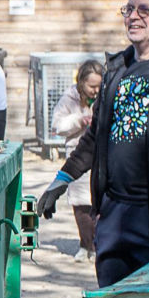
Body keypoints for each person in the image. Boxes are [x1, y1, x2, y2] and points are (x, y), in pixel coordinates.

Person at [37, 0, 149, 287]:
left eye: (144, 10)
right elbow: (94, 138)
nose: (133, 17)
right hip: (114, 213)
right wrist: (60, 181)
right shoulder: (116, 70)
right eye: (128, 9)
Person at [49, 60, 105, 262]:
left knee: (98, 204)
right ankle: (85, 244)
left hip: (100, 157)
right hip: (77, 155)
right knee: (80, 204)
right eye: (92, 86)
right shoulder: (70, 98)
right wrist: (79, 121)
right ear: (82, 83)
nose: (95, 91)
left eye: (99, 86)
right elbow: (57, 125)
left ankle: (98, 244)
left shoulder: (106, 95)